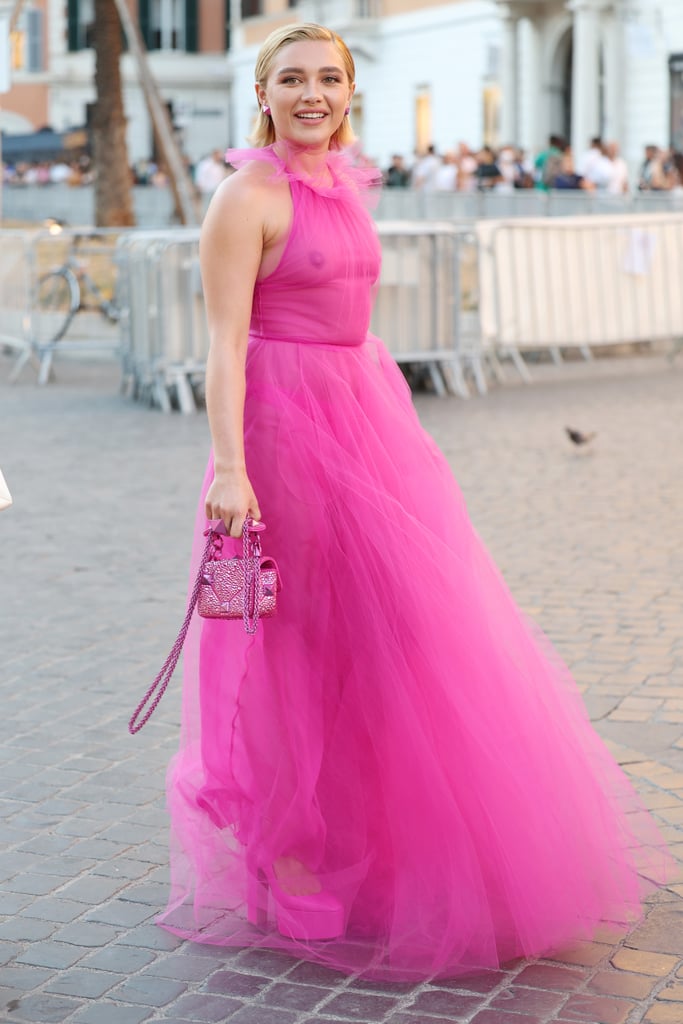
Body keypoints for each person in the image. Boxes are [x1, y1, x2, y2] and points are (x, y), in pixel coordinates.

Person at [158, 22, 671, 981]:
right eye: (293, 79)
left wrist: (382, 422)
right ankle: (289, 851)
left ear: (350, 91)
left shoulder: (349, 185)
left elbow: (348, 316)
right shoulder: (245, 195)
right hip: (280, 430)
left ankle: (367, 830)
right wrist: (231, 469)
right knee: (297, 640)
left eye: (330, 79)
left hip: (365, 416)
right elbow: (224, 345)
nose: (313, 94)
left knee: (391, 630)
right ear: (261, 92)